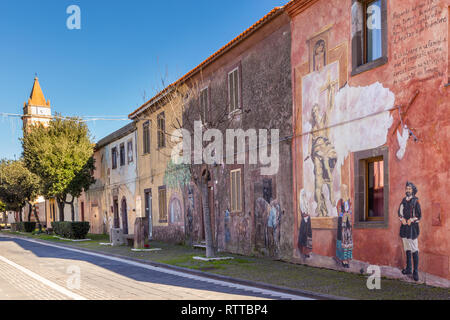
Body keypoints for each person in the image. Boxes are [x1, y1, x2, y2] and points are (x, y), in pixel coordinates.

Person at [398, 181, 421, 281]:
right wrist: (402, 219)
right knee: (406, 247)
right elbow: (399, 212)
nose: (408, 190)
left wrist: (411, 220)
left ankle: (415, 272)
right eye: (407, 189)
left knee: (414, 248)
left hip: (412, 228)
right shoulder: (403, 200)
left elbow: (419, 215)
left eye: (409, 189)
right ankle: (408, 268)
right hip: (404, 227)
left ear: (413, 190)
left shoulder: (416, 201)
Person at [335, 185, 353, 268]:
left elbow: (351, 211)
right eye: (343, 190)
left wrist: (348, 214)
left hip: (348, 224)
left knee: (347, 241)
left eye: (346, 190)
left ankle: (347, 260)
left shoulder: (349, 201)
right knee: (342, 241)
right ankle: (343, 260)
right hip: (342, 224)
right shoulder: (340, 202)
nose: (344, 191)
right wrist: (344, 214)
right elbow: (339, 213)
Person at [297, 190, 312, 258]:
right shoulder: (301, 202)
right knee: (304, 236)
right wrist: (306, 215)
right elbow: (303, 212)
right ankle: (304, 252)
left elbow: (308, 210)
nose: (304, 195)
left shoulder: (306, 202)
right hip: (304, 221)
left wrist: (308, 215)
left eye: (305, 194)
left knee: (308, 236)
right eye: (303, 194)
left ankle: (307, 252)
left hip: (308, 220)